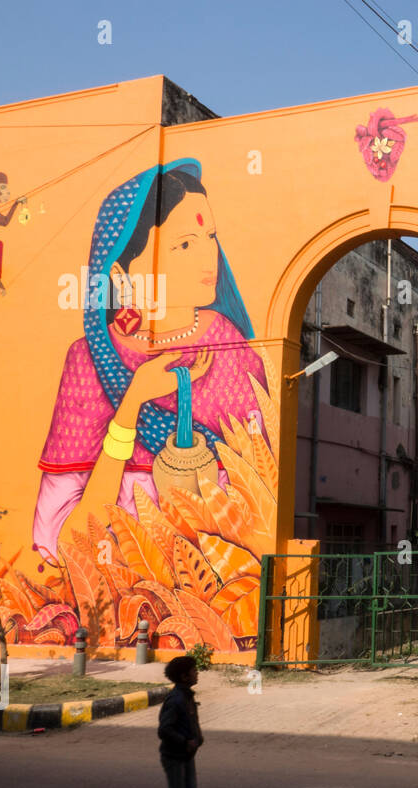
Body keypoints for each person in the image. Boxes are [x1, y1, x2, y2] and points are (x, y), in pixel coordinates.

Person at [33, 158, 268, 563]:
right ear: (122, 270)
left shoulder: (231, 348)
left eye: (210, 236)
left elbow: (256, 503)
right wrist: (133, 400)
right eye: (185, 244)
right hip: (112, 585)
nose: (207, 256)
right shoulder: (90, 359)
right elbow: (62, 538)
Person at [120, 655, 206, 788]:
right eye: (194, 670)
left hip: (186, 755)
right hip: (174, 756)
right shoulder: (176, 700)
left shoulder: (186, 695)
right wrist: (185, 741)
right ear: (184, 677)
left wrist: (196, 739)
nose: (197, 673)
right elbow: (164, 730)